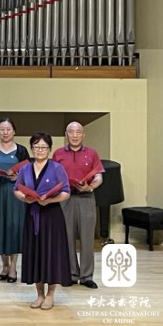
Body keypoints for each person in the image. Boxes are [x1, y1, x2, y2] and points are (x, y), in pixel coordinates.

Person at [15, 133, 72, 310]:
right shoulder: (25, 169)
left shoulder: (57, 168)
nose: (39, 150)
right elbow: (17, 189)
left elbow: (66, 191)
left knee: (51, 253)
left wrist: (50, 200)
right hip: (32, 214)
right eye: (36, 147)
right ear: (31, 149)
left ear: (49, 149)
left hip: (52, 216)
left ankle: (50, 295)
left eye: (43, 147)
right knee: (35, 253)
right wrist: (25, 198)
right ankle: (39, 294)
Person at [53, 121, 105, 289]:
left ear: (83, 135)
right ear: (66, 135)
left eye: (78, 132)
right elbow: (53, 175)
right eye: (71, 132)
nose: (74, 136)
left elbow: (99, 176)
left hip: (86, 197)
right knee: (66, 237)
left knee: (87, 238)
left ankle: (86, 276)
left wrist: (90, 186)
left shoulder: (92, 153)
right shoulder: (58, 153)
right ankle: (71, 274)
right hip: (65, 198)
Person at [0, 117, 29, 284]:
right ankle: (4, 265)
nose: (5, 132)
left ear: (14, 131)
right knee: (0, 226)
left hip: (15, 193)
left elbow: (28, 172)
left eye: (8, 129)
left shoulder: (22, 150)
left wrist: (18, 177)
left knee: (14, 227)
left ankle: (13, 267)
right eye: (2, 129)